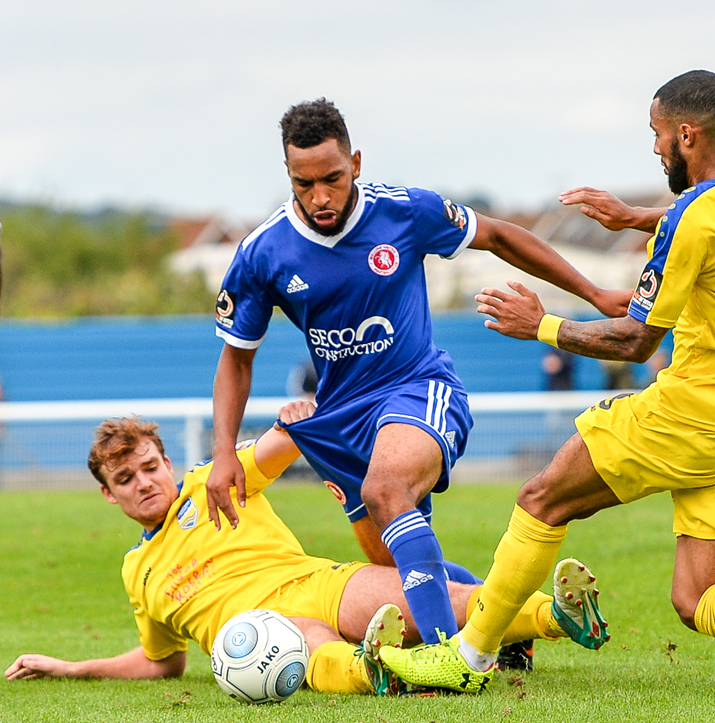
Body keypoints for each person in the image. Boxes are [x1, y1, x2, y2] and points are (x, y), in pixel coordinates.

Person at [376, 70, 715, 694]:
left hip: (693, 415)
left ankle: (469, 657)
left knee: (542, 498)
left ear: (686, 135)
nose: (654, 148)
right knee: (696, 598)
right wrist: (633, 219)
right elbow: (707, 220)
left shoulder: (689, 222)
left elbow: (635, 340)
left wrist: (542, 325)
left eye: (657, 134)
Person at [207, 98, 632, 651]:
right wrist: (223, 453)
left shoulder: (404, 212)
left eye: (332, 179)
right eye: (303, 184)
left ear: (355, 163)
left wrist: (594, 294)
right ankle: (518, 625)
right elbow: (237, 358)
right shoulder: (263, 252)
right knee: (397, 566)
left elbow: (499, 236)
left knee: (385, 490)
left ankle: (445, 657)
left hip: (417, 389)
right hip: (341, 418)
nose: (320, 197)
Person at [4, 403, 594, 696]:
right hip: (258, 635)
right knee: (304, 641)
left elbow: (281, 445)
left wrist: (294, 418)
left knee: (436, 596)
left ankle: (559, 616)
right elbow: (164, 662)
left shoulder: (212, 480)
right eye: (126, 479)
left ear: (167, 461)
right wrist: (72, 668)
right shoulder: (137, 571)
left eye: (150, 467)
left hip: (315, 582)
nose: (144, 483)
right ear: (109, 494)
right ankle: (374, 670)